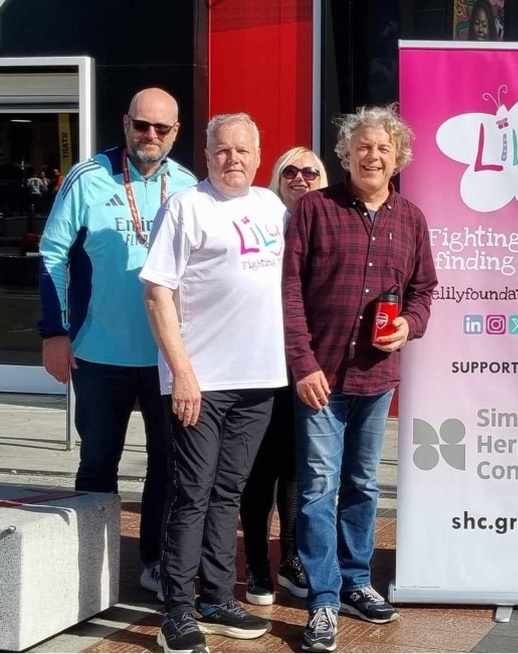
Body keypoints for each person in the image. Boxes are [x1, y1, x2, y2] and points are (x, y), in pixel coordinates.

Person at [283, 105, 437, 652]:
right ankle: (323, 599)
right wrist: (301, 364)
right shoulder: (313, 211)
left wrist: (410, 327)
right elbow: (290, 294)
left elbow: (424, 290)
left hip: (377, 376)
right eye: (363, 147)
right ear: (345, 154)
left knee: (364, 484)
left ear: (399, 159)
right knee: (319, 488)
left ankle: (356, 582)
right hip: (320, 378)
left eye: (384, 149)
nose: (373, 156)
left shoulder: (411, 218)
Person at [38, 87, 197, 600]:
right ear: (125, 122)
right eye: (141, 125)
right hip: (99, 354)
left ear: (176, 132)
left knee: (167, 469)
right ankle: (89, 564)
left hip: (164, 360)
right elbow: (51, 255)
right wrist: (54, 332)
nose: (150, 136)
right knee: (97, 464)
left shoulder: (190, 186)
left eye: (162, 128)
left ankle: (153, 562)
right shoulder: (88, 177)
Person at [142, 113, 288, 653]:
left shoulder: (271, 207)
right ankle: (178, 609)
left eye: (244, 151)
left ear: (258, 154)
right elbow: (157, 293)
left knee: (229, 492)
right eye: (223, 151)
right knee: (193, 493)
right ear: (207, 154)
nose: (234, 160)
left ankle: (216, 596)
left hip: (260, 379)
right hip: (200, 382)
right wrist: (181, 373)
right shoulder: (185, 206)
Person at [240, 146, 328, 606]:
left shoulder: (330, 221)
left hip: (310, 366)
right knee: (260, 471)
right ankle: (257, 566)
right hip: (262, 362)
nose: (299, 178)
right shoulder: (265, 221)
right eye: (288, 170)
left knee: (297, 469)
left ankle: (291, 558)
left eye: (309, 171)